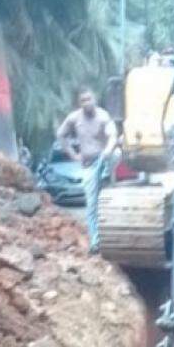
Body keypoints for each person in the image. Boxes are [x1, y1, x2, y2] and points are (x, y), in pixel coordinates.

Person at [56, 87, 118, 254]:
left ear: (94, 99)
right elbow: (61, 134)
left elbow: (113, 135)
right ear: (80, 103)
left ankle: (107, 177)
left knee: (117, 153)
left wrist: (107, 150)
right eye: (83, 100)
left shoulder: (103, 116)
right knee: (91, 205)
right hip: (88, 165)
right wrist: (73, 154)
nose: (87, 103)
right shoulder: (74, 118)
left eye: (89, 99)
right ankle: (95, 242)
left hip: (103, 160)